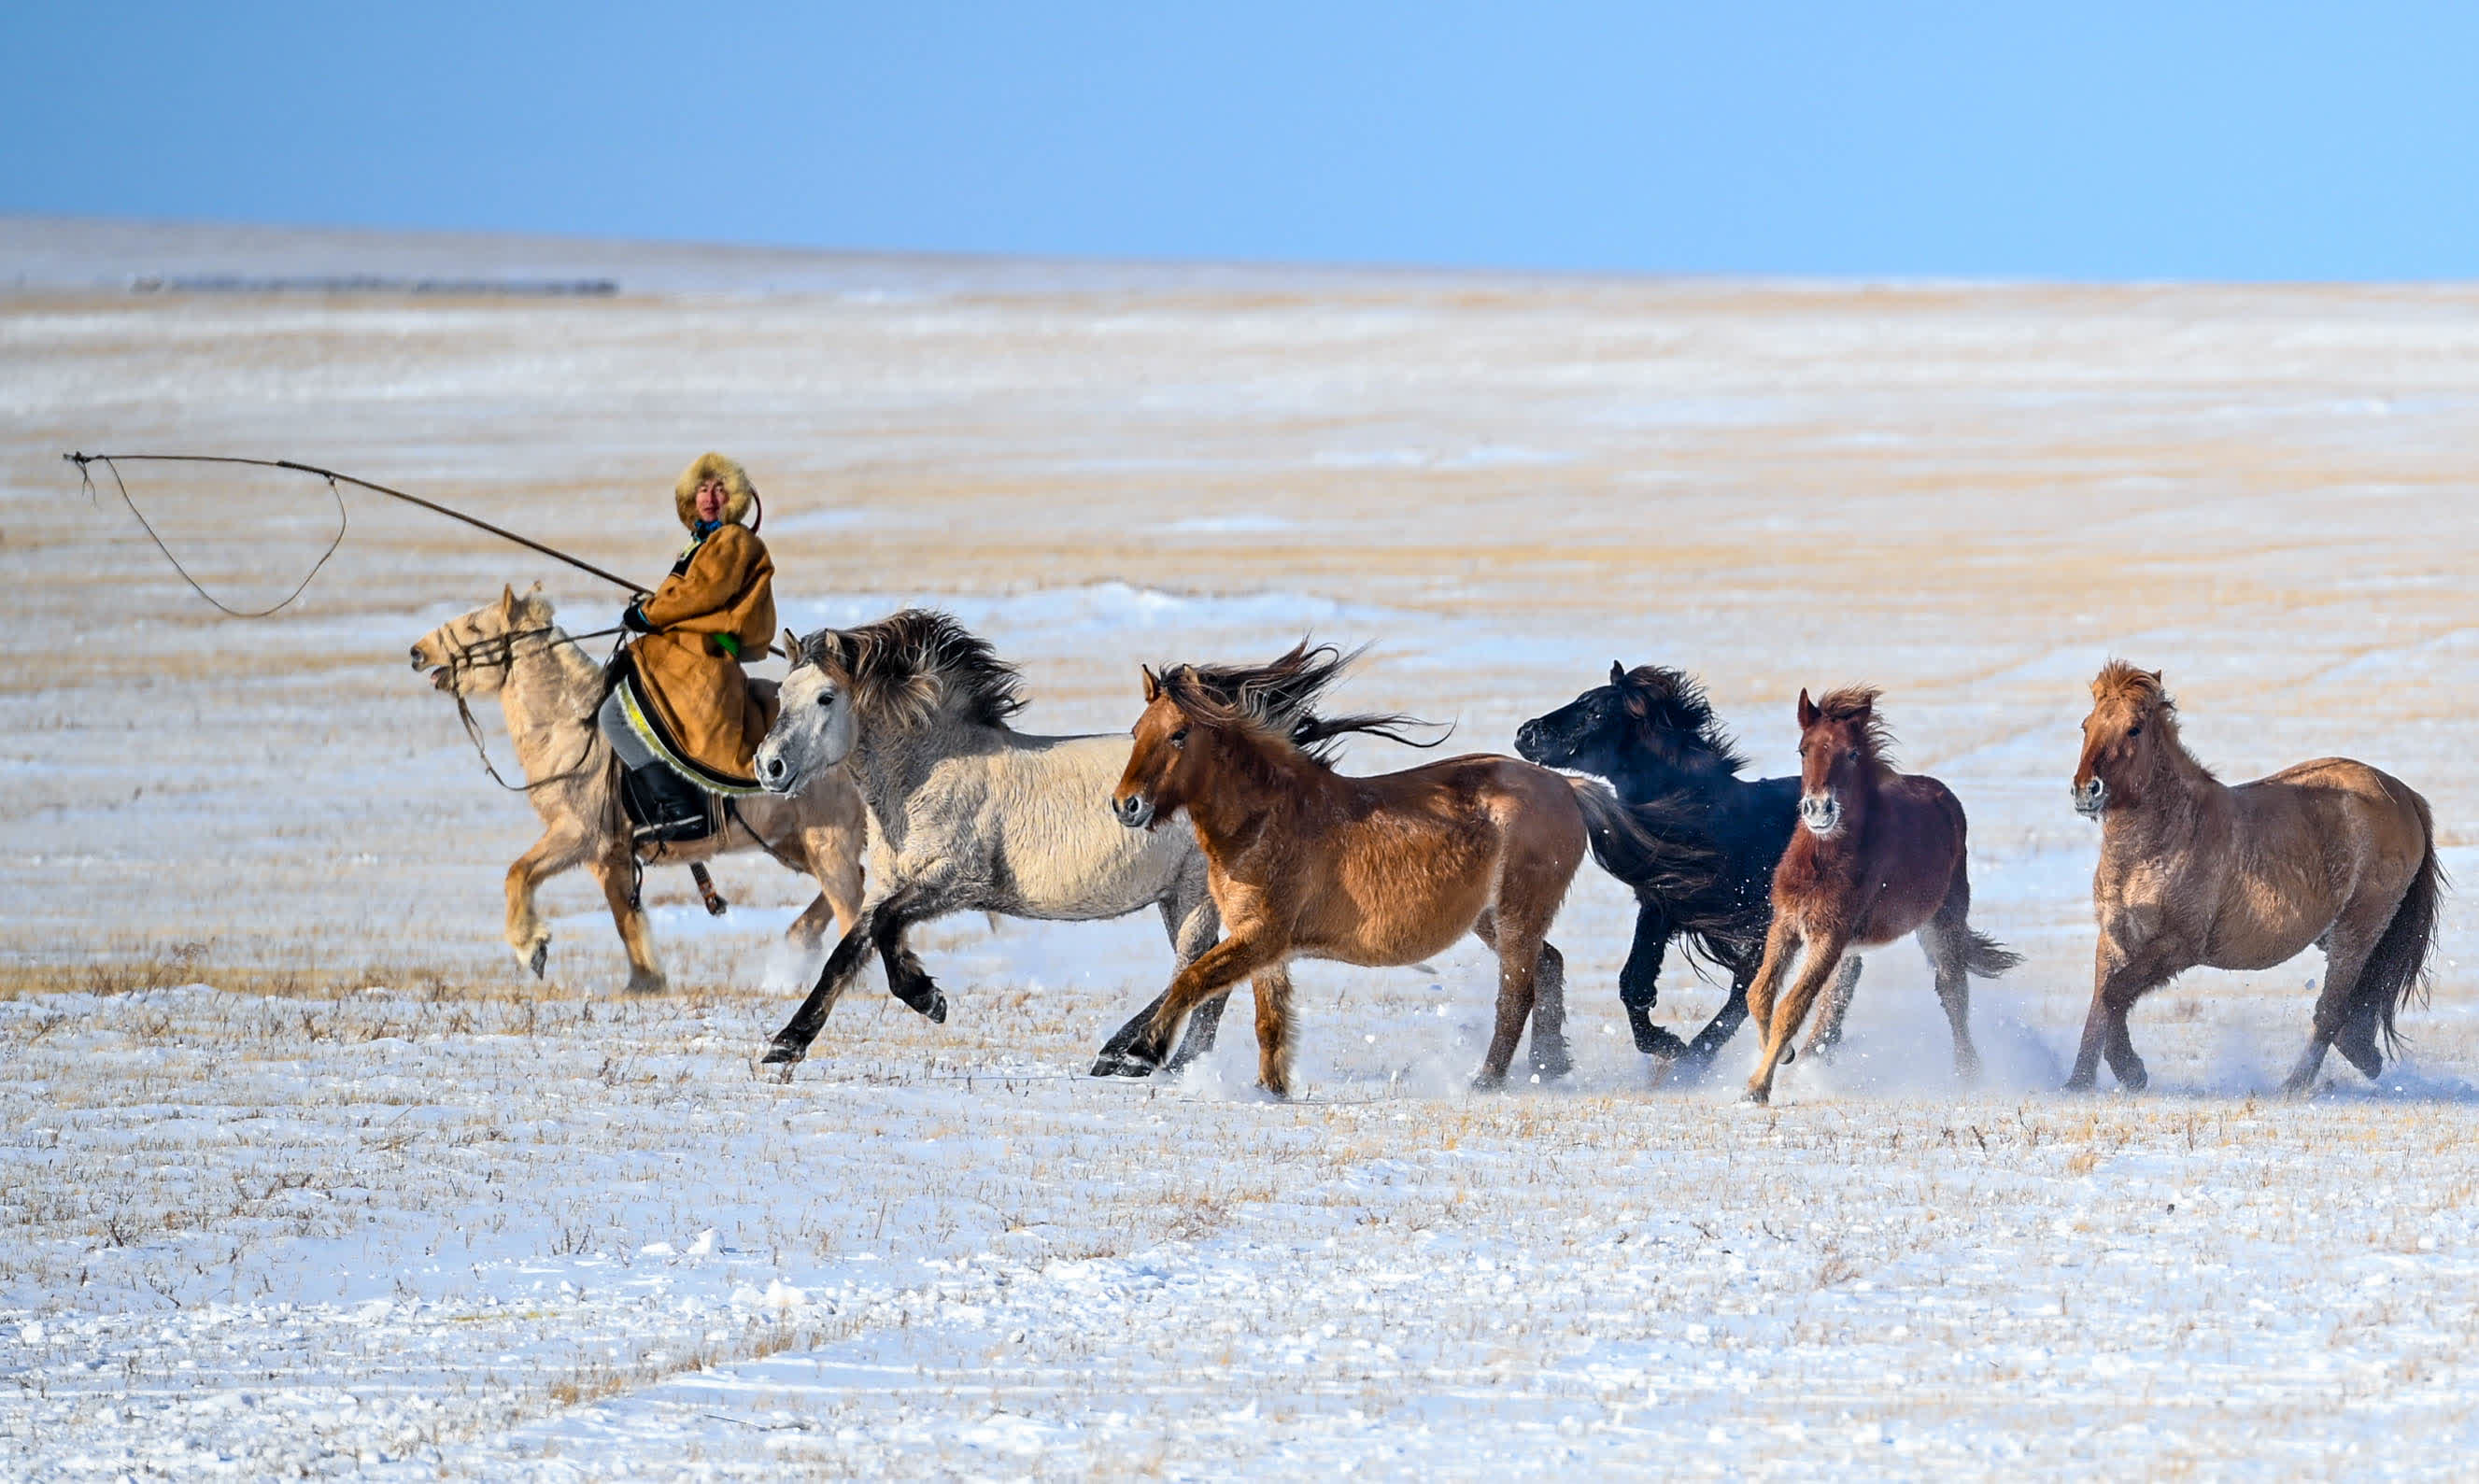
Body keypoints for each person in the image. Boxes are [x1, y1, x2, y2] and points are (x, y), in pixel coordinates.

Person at [597, 452, 779, 839]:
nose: (710, 497)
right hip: (685, 657)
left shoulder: (732, 539)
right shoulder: (701, 543)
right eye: (702, 489)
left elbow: (702, 593)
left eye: (720, 489)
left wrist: (649, 614)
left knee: (614, 715)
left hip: (703, 662)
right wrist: (652, 610)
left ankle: (678, 808)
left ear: (736, 498)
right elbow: (687, 598)